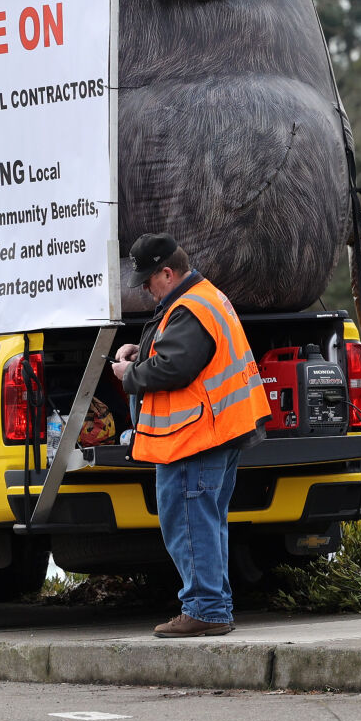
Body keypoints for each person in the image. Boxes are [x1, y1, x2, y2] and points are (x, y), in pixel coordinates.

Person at [110, 232, 271, 638]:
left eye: (148, 281)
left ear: (168, 271)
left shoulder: (190, 307)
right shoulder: (201, 297)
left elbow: (174, 368)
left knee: (189, 522)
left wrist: (130, 373)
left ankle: (205, 609)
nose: (145, 290)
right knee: (208, 520)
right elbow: (179, 352)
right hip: (218, 431)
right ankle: (213, 606)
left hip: (194, 437)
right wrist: (143, 350)